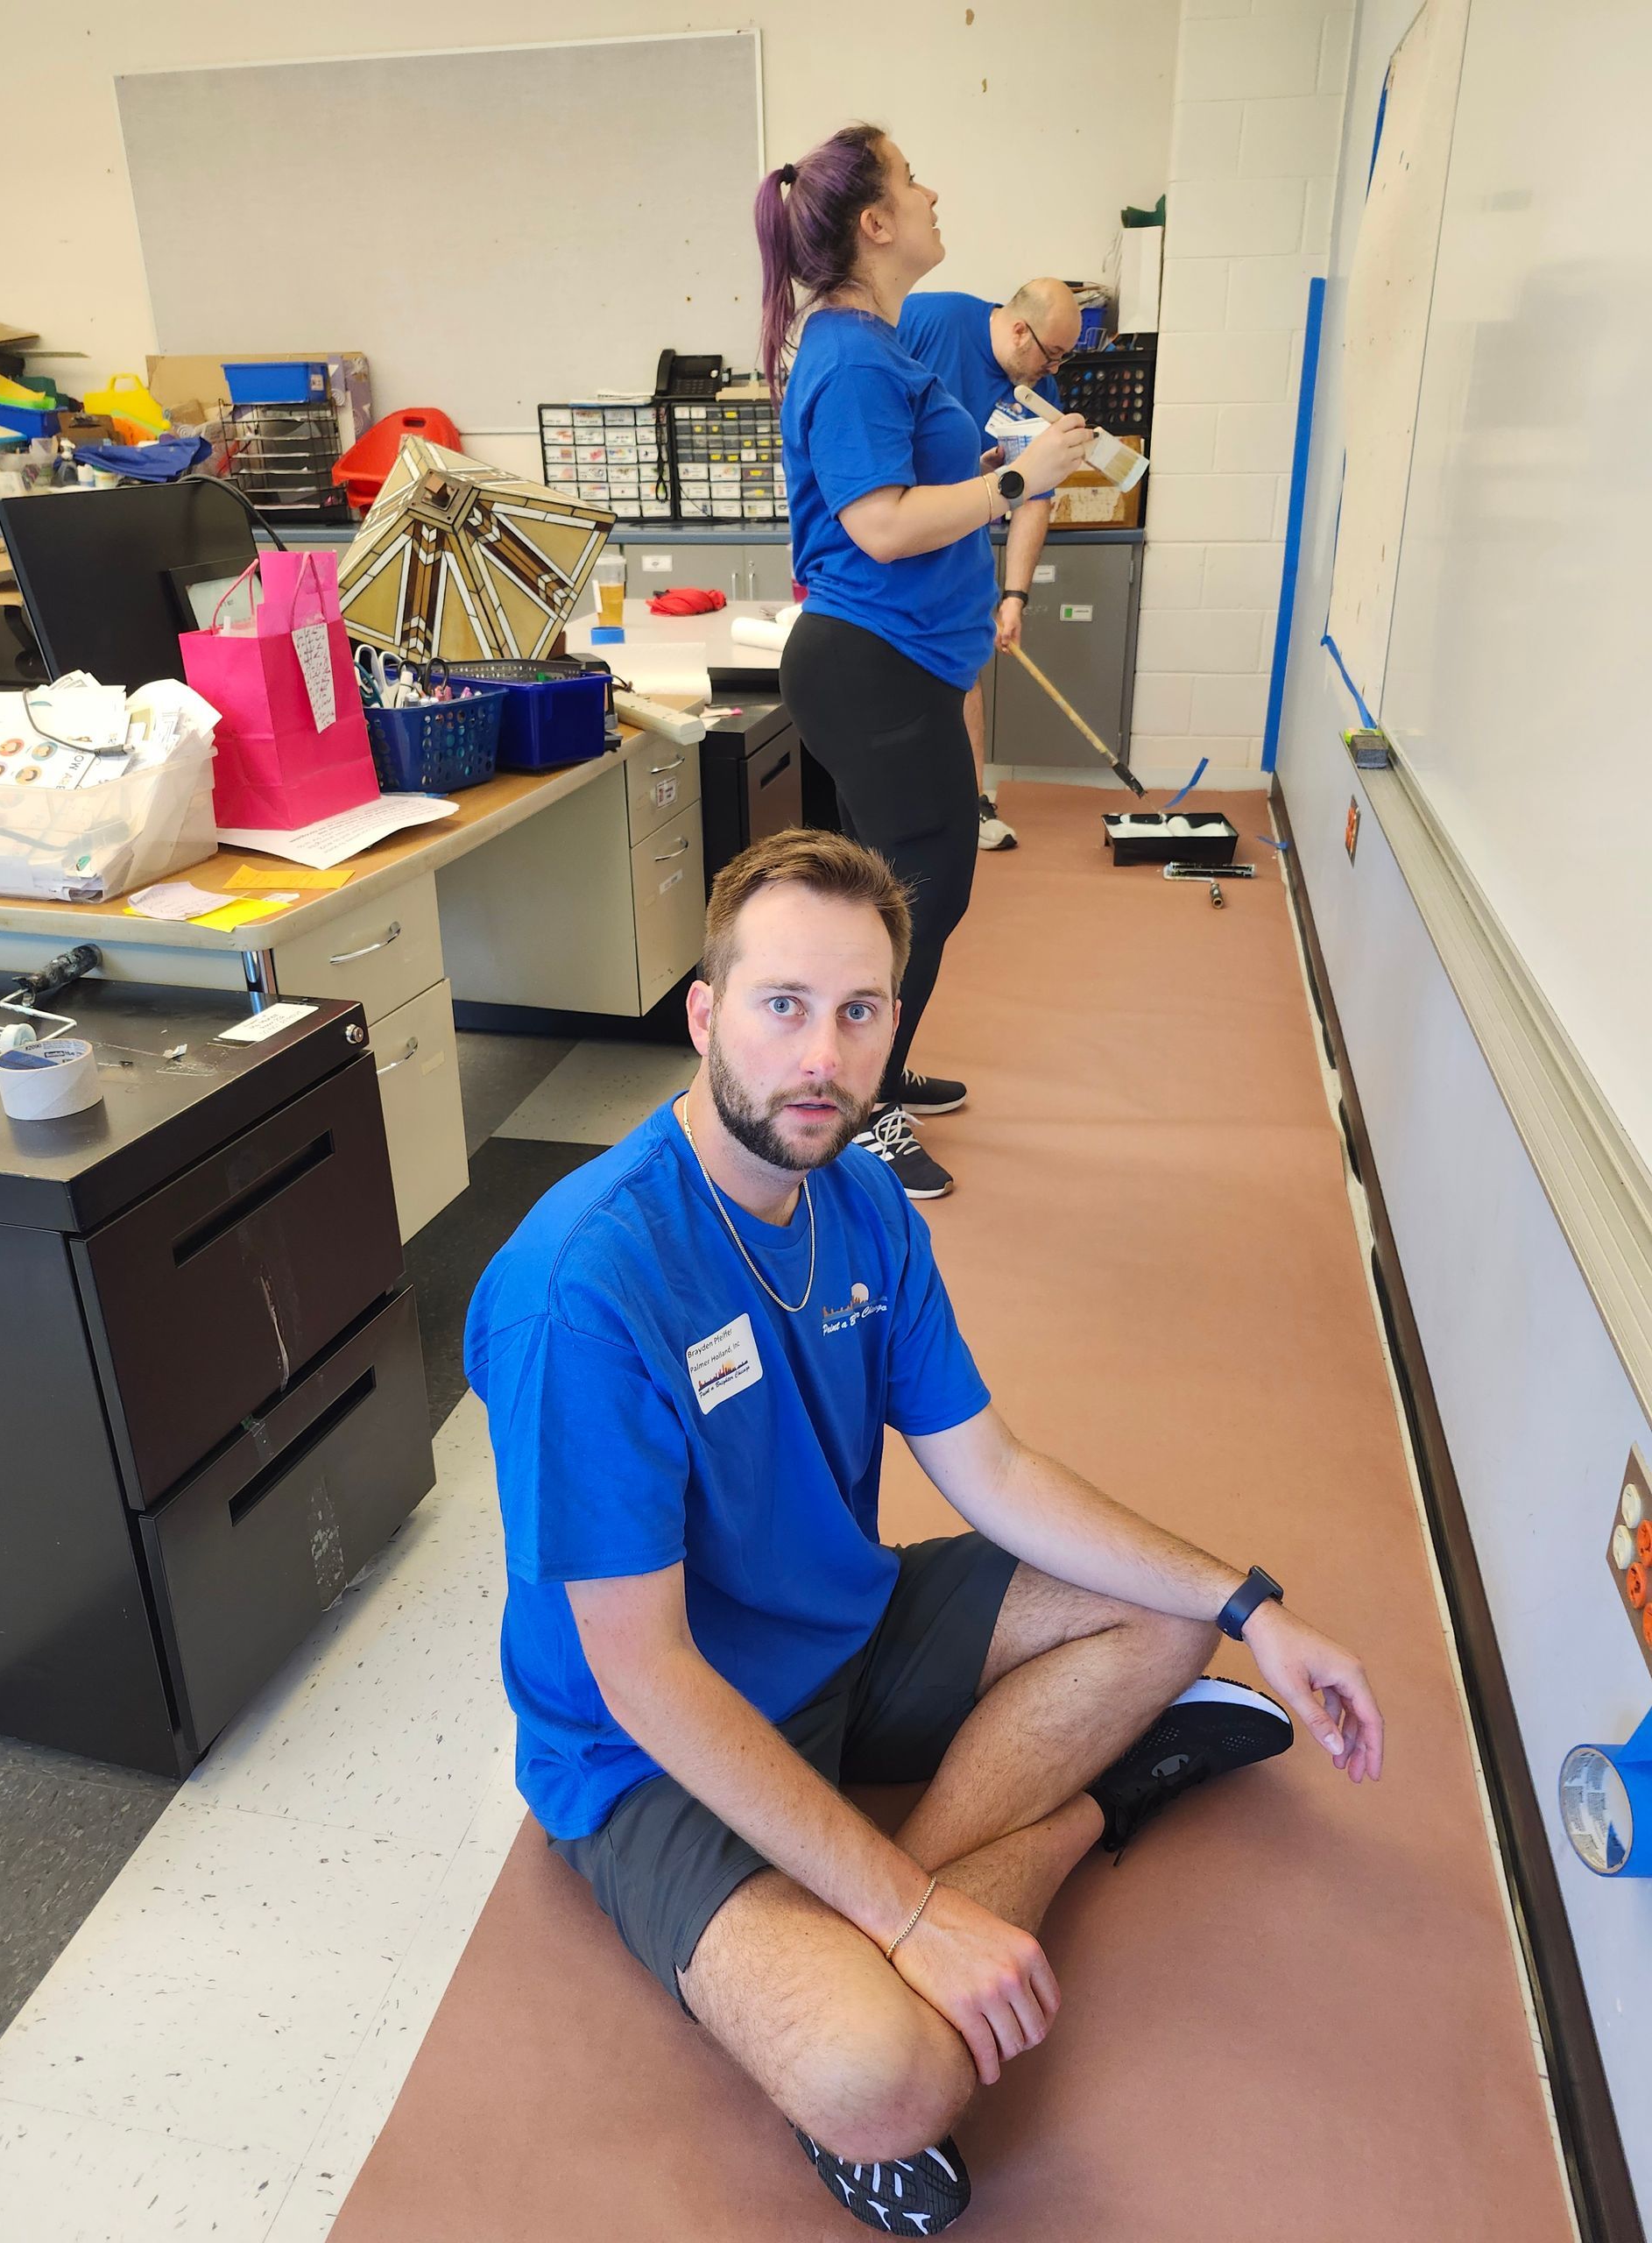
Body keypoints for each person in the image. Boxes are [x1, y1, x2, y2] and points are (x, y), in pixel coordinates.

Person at [466, 827, 1386, 2239]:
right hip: (642, 1746)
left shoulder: (867, 1204)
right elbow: (644, 1676)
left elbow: (996, 1470)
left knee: (1168, 1612)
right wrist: (905, 1923)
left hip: (844, 1619)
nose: (820, 1056)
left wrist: (1252, 1602)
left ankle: (916, 1902)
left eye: (859, 1011)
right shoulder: (586, 1288)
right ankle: (1090, 1810)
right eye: (781, 1006)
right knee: (884, 2078)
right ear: (706, 1015)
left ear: (897, 1018)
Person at [757, 124, 1089, 1202]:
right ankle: (857, 1108)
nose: (934, 192)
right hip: (870, 664)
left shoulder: (884, 342)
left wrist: (1005, 464)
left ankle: (870, 1078)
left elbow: (918, 487)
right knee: (920, 896)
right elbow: (883, 525)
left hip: (900, 667)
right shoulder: (850, 355)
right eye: (913, 180)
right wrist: (1012, 482)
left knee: (894, 895)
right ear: (876, 223)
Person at [897, 280, 1086, 853]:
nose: (1052, 369)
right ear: (1020, 330)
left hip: (964, 534)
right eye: (1051, 354)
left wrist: (1015, 597)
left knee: (964, 666)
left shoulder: (1036, 388)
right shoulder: (929, 319)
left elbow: (1034, 495)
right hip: (898, 525)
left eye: (1063, 359)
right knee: (893, 669)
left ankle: (971, 804)